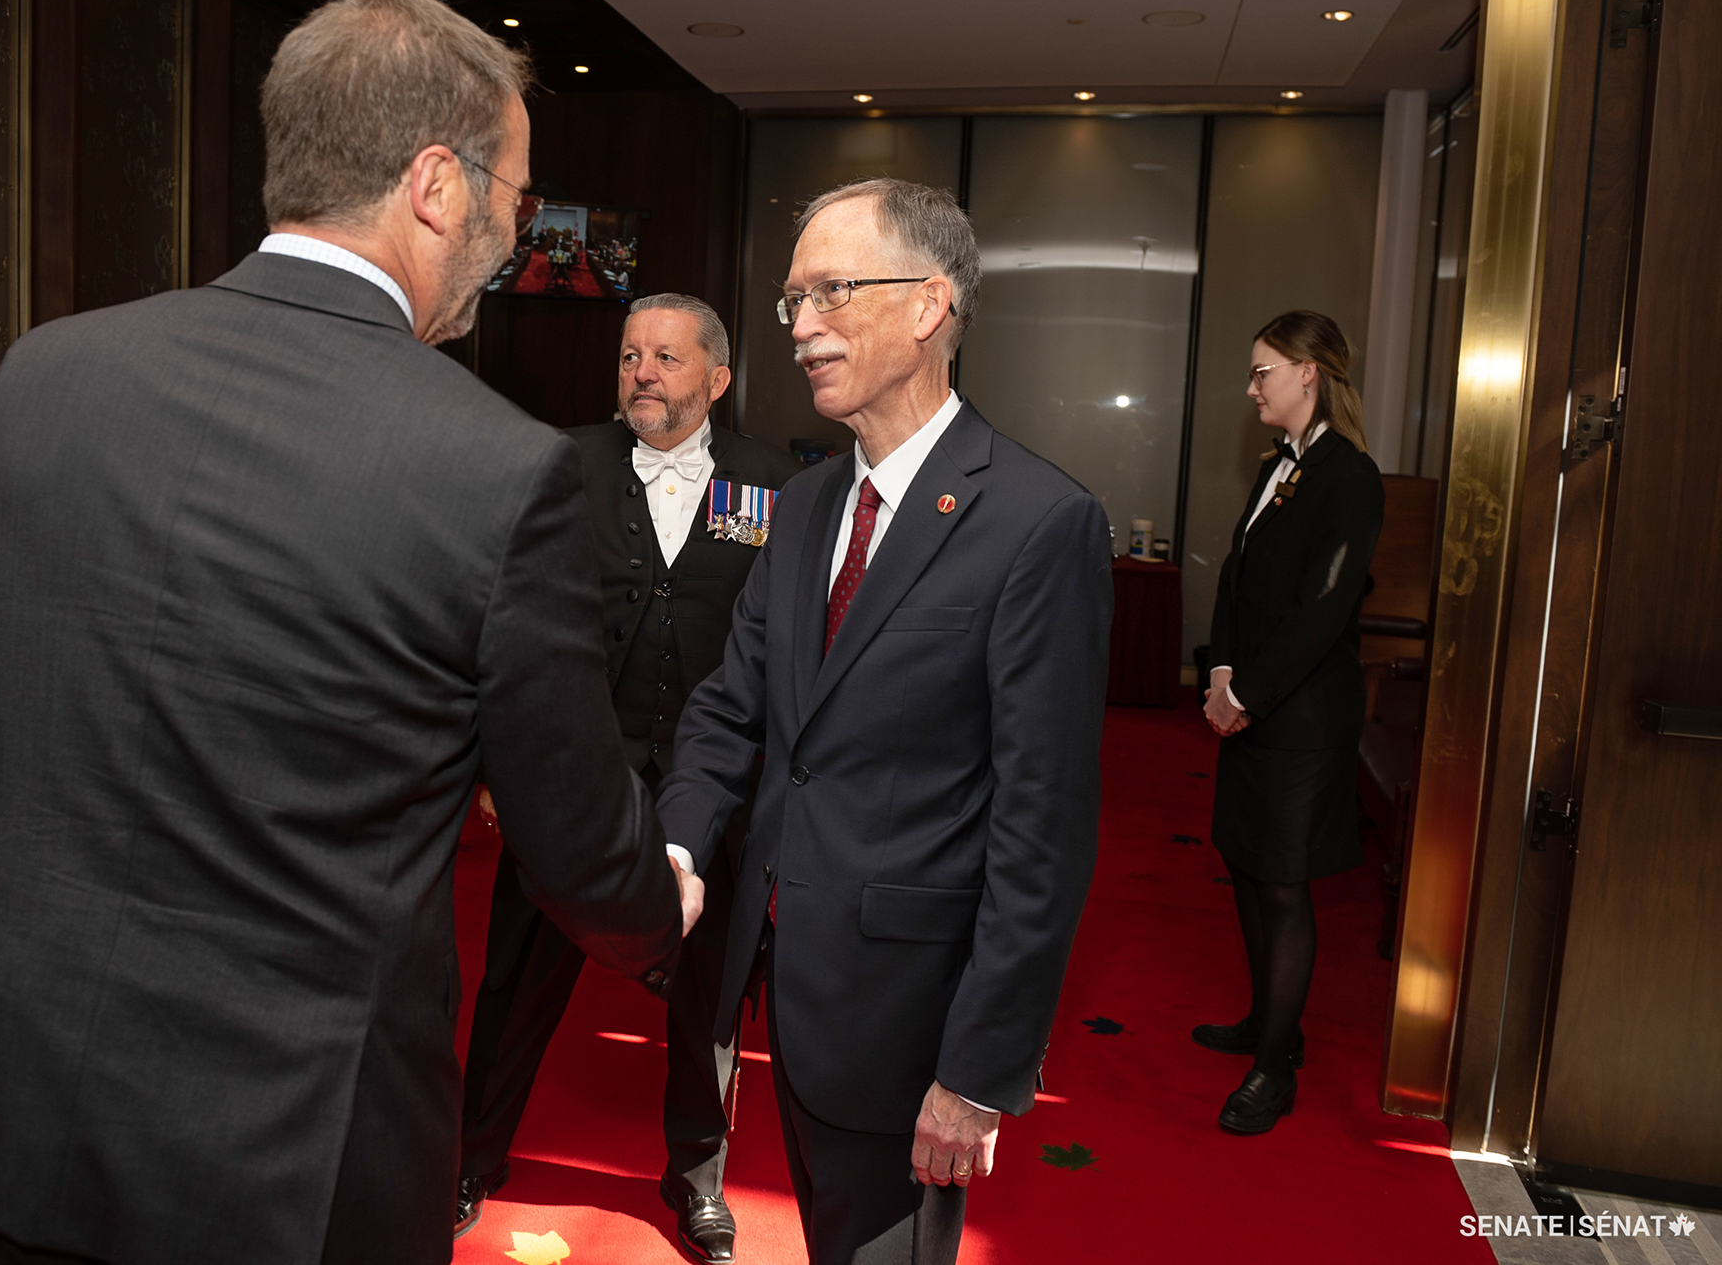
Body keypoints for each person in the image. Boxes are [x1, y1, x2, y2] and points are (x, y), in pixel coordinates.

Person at [0, 0, 698, 1265]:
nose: (513, 228)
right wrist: (665, 906)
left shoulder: (45, 371)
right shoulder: (494, 466)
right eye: (513, 194)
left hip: (32, 1095)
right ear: (438, 184)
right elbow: (576, 847)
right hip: (295, 1151)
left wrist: (54, 945)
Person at [656, 179, 1112, 1264]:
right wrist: (675, 846)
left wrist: (979, 1071)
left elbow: (1040, 829)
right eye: (791, 302)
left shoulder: (1039, 523)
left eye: (830, 292)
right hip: (791, 994)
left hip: (914, 1028)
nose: (802, 328)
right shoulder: (807, 503)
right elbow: (734, 704)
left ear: (927, 305)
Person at [457, 294, 798, 1263]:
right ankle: (470, 1154)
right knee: (520, 976)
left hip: (713, 783)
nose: (640, 373)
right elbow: (503, 621)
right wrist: (493, 759)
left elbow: (787, 652)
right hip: (573, 780)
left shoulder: (772, 483)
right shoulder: (559, 464)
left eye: (663, 357)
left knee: (708, 994)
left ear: (716, 378)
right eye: (627, 357)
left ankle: (697, 1182)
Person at [1196, 310, 1384, 1134]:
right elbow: (1239, 578)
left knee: (1283, 882)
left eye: (1263, 371)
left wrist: (1248, 693)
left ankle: (1276, 1068)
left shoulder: (1351, 476)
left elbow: (1324, 608)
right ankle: (1269, 1020)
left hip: (1303, 719)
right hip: (1257, 704)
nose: (1252, 387)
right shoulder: (1282, 466)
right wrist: (1222, 670)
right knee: (1246, 862)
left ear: (1310, 372)